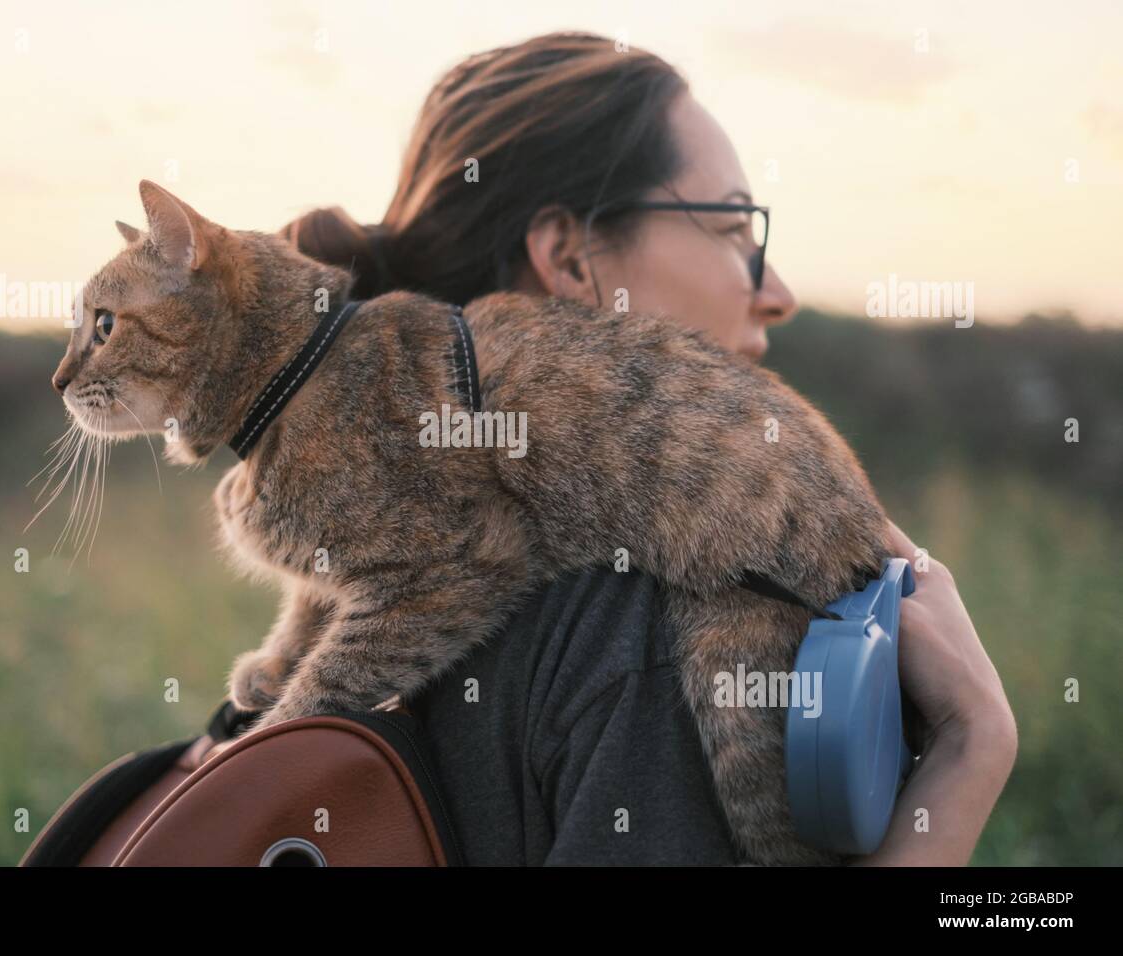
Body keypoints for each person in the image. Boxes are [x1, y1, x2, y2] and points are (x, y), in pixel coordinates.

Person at [280, 32, 1017, 865]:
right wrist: (970, 753)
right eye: (736, 227)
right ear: (569, 259)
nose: (776, 293)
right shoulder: (653, 630)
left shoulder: (335, 627)